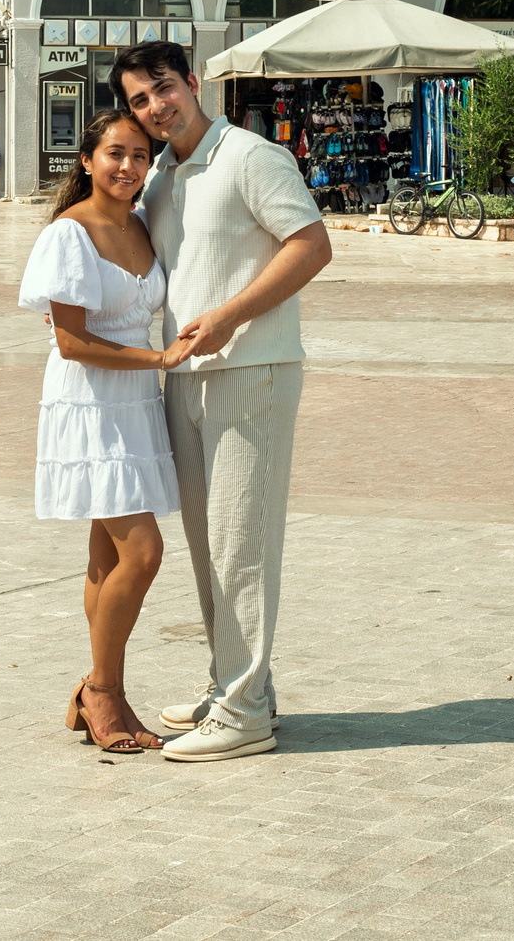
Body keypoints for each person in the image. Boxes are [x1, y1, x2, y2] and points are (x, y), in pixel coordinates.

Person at [114, 39, 332, 763]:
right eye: (140, 100)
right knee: (209, 544)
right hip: (184, 375)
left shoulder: (250, 156)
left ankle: (244, 713)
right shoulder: (159, 177)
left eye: (164, 88)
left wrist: (231, 316)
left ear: (193, 81)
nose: (156, 106)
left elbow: (311, 245)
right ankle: (236, 687)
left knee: (243, 542)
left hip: (252, 368)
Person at [18, 108, 195, 755]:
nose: (128, 166)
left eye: (140, 155)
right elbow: (70, 341)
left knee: (109, 557)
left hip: (135, 402)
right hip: (90, 402)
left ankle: (95, 690)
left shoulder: (141, 223)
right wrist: (159, 358)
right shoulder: (69, 234)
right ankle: (104, 690)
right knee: (143, 553)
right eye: (115, 153)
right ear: (87, 159)